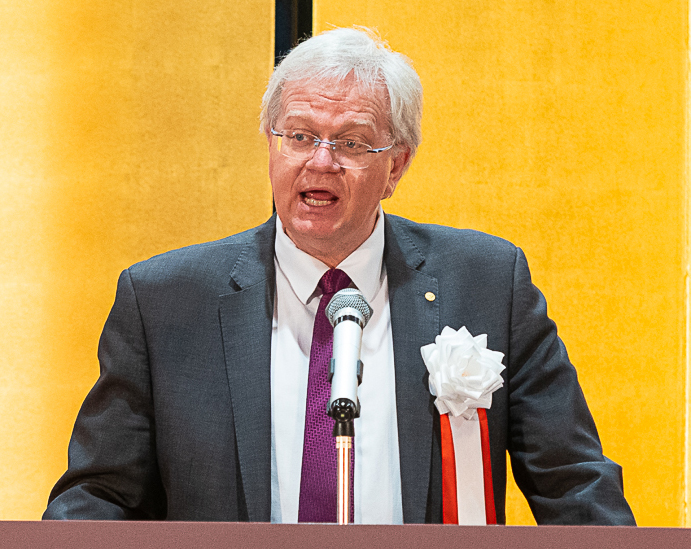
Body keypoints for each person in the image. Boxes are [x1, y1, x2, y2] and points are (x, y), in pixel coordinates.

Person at [43, 27, 635, 525]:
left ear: (396, 165)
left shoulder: (485, 283)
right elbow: (99, 497)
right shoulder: (165, 301)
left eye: (351, 142)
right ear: (270, 142)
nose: (319, 160)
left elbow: (575, 485)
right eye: (298, 135)